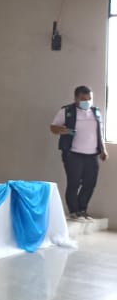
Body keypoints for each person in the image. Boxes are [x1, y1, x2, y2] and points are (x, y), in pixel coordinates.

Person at [50, 85, 108, 220]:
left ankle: (82, 210)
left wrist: (103, 149)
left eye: (89, 99)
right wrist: (62, 130)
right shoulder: (66, 111)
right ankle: (74, 211)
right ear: (76, 98)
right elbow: (53, 128)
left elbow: (100, 132)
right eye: (83, 99)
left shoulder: (96, 112)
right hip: (73, 154)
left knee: (90, 184)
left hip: (92, 155)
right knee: (74, 183)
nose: (87, 101)